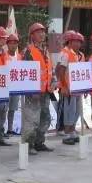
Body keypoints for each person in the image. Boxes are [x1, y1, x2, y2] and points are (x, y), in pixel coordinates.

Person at [21, 23, 54, 154]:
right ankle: (28, 145)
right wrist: (30, 90)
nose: (42, 34)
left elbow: (50, 70)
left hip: (46, 92)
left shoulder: (46, 51)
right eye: (38, 32)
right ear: (32, 35)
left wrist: (53, 82)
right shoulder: (27, 52)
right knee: (32, 120)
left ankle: (39, 142)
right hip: (33, 93)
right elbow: (23, 73)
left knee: (45, 118)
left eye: (43, 32)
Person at [56, 30, 85, 145]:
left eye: (79, 42)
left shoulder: (81, 55)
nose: (78, 44)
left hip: (78, 89)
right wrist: (64, 86)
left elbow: (83, 73)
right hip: (68, 89)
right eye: (75, 41)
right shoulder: (65, 53)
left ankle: (72, 131)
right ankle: (67, 134)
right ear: (70, 42)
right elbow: (61, 71)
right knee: (69, 111)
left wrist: (85, 87)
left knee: (76, 111)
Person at [6, 33, 20, 136]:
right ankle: (1, 129)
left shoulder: (20, 57)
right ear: (7, 44)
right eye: (11, 43)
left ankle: (10, 129)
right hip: (5, 87)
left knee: (12, 109)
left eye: (15, 43)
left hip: (15, 87)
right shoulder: (3, 56)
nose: (13, 45)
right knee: (3, 110)